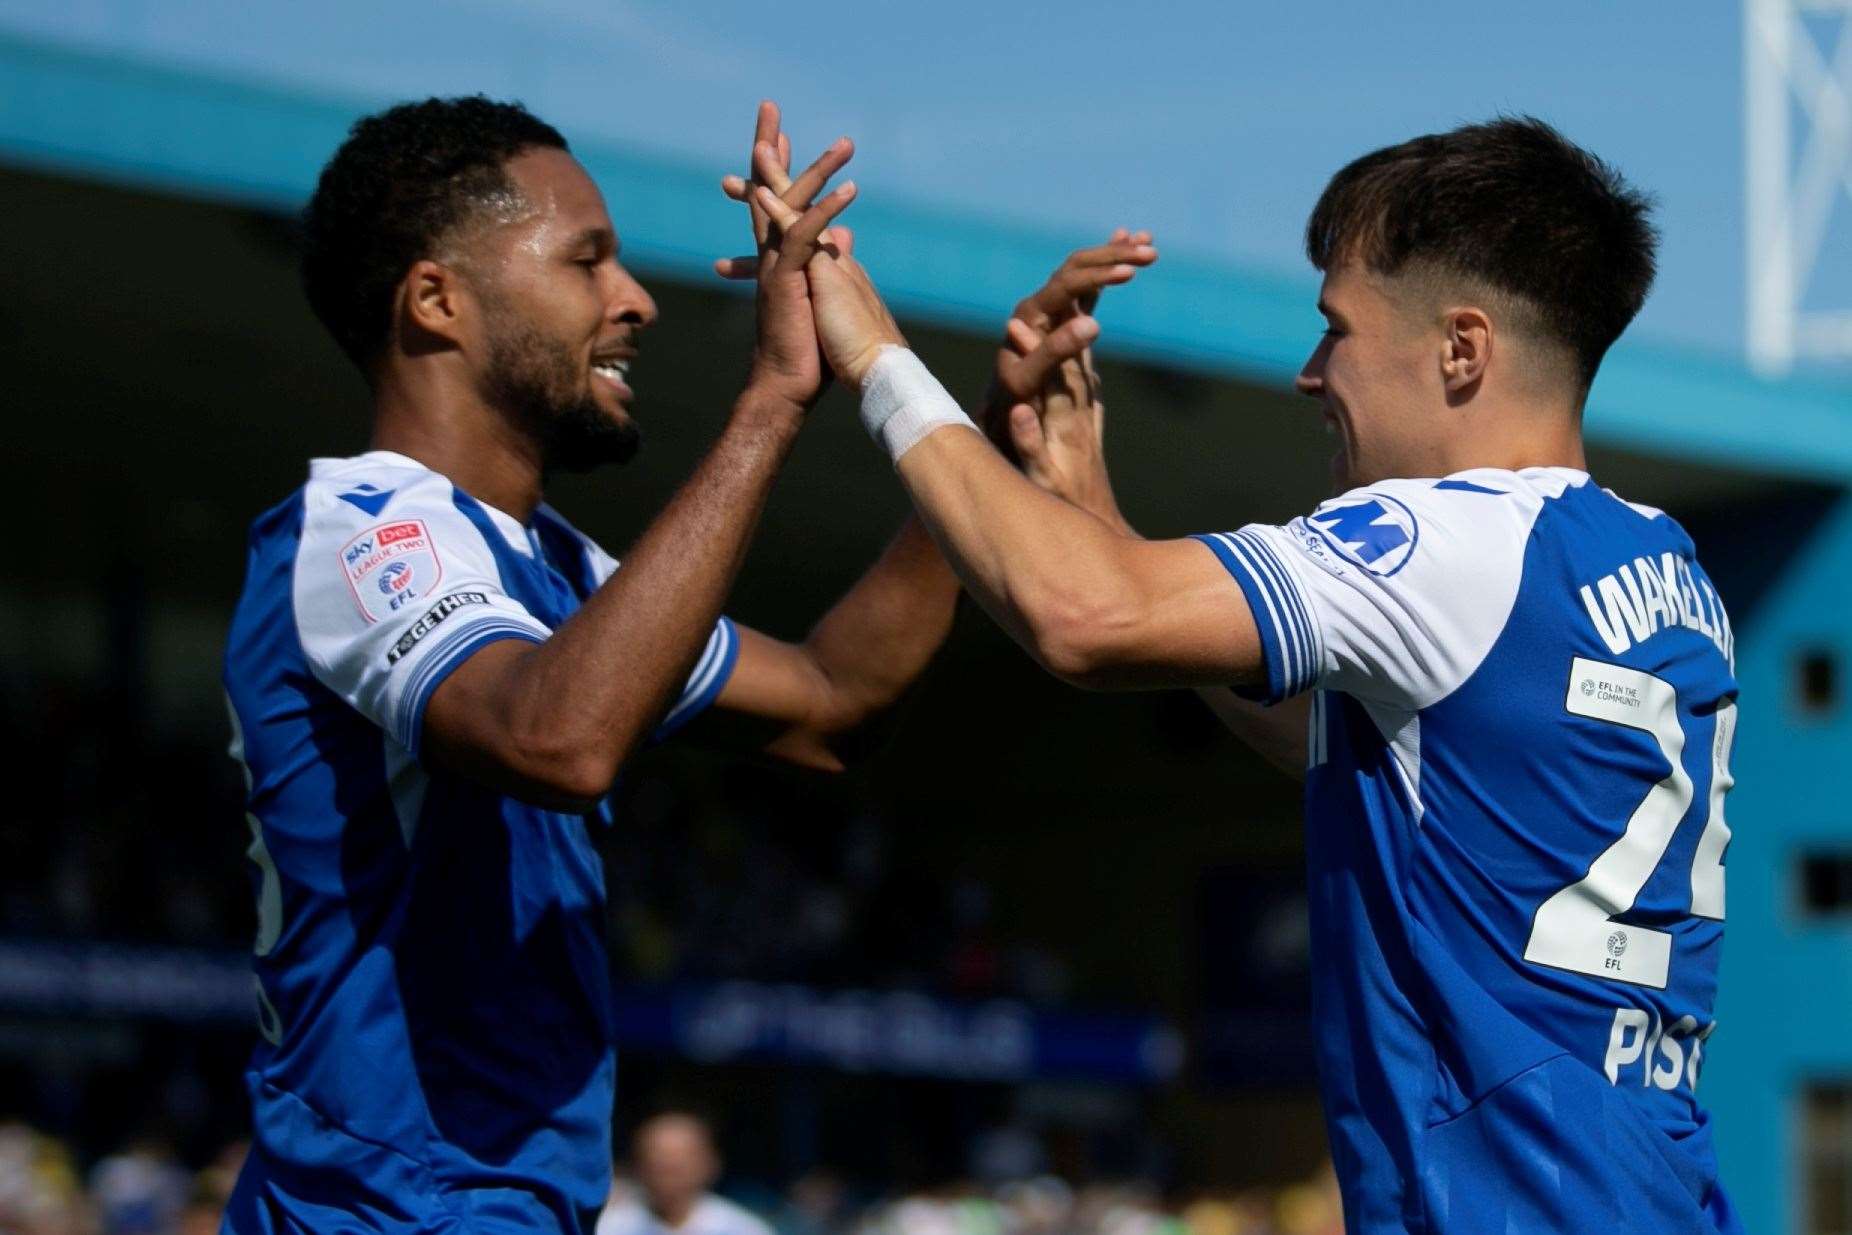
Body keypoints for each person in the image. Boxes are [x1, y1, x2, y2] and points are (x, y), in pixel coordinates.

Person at [769, 117, 1742, 1233]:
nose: (1309, 371)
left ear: (1461, 348)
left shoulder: (1449, 537)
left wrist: (874, 356)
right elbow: (1368, 753)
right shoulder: (1662, 567)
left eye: (1336, 329)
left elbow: (1083, 616)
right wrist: (1091, 509)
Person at [219, 96, 1152, 1235]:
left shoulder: (560, 570)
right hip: (380, 1213)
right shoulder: (363, 529)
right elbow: (556, 738)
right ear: (436, 300)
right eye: (586, 260)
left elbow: (830, 703)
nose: (637, 299)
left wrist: (978, 429)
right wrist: (768, 401)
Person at [595, 1114, 769, 1235]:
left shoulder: (743, 1229)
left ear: (711, 1164)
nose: (668, 1170)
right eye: (658, 1160)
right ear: (637, 1165)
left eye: (680, 1163)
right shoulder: (608, 1227)